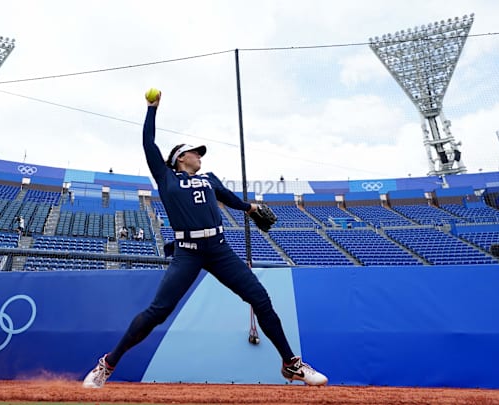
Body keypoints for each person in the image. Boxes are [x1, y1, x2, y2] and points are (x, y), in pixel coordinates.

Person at [83, 91, 327, 388]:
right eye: (194, 151)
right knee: (157, 312)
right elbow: (148, 144)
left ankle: (291, 365)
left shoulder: (209, 178)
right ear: (180, 158)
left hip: (219, 248)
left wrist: (249, 208)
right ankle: (106, 365)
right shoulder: (166, 177)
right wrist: (152, 109)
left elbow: (227, 197)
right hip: (188, 251)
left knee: (260, 299)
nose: (199, 155)